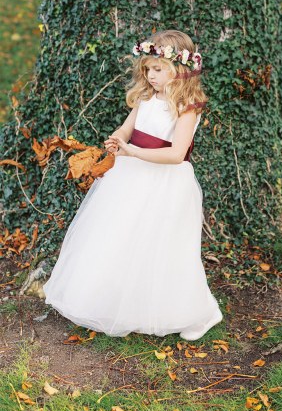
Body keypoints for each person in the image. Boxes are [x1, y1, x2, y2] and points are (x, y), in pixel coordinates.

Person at [43, 29, 223, 341]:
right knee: (121, 238)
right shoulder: (146, 99)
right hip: (130, 176)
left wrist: (133, 152)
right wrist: (118, 141)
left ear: (179, 69)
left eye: (158, 70)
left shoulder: (188, 107)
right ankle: (121, 303)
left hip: (165, 182)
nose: (151, 76)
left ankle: (198, 313)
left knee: (164, 249)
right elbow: (127, 129)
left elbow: (177, 154)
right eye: (148, 70)